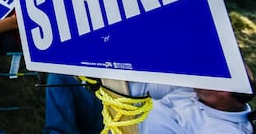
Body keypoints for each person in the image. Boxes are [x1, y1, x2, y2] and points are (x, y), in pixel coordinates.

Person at [43, 71, 255, 134]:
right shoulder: (194, 89)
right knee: (60, 76)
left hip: (126, 129)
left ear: (224, 91)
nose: (201, 76)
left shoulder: (225, 131)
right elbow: (140, 87)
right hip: (115, 116)